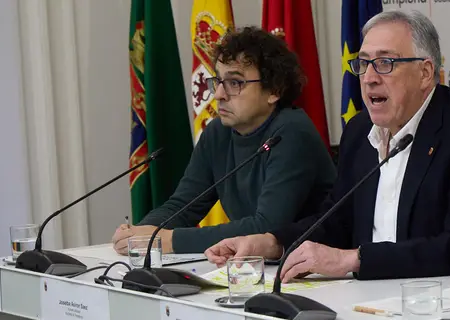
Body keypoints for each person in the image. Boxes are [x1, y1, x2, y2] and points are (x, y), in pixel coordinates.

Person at [205, 11, 450, 281]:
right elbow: (335, 220)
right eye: (363, 64)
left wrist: (354, 260)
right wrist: (271, 243)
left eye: (385, 63)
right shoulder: (360, 130)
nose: (369, 79)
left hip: (434, 297)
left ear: (425, 73)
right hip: (363, 298)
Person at [111, 26, 336, 256]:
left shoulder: (292, 132)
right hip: (255, 266)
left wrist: (170, 241)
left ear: (274, 90)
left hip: (317, 271)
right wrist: (140, 233)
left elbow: (266, 227)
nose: (219, 94)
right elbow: (183, 205)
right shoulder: (217, 132)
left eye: (235, 83)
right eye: (218, 81)